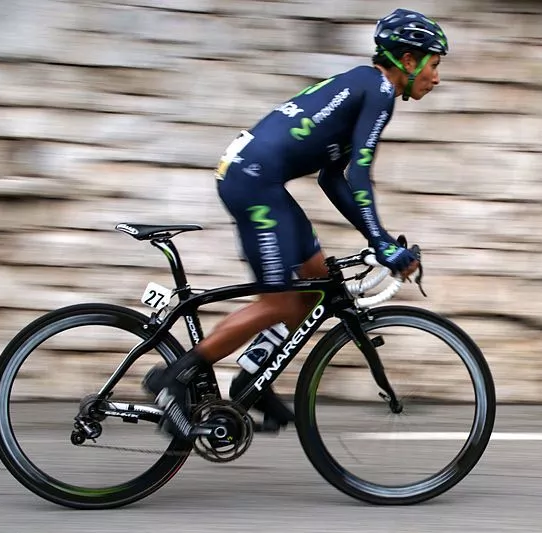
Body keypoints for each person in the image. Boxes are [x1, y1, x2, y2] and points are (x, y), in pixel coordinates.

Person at [143, 8, 449, 440]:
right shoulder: (378, 89)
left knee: (317, 281)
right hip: (253, 182)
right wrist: (382, 244)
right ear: (410, 60)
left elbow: (334, 179)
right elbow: (358, 176)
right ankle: (175, 377)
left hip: (259, 178)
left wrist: (376, 237)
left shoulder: (365, 85)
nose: (436, 78)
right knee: (279, 303)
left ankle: (251, 377)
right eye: (434, 65)